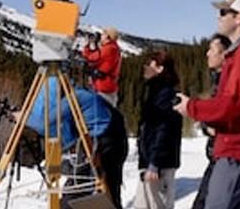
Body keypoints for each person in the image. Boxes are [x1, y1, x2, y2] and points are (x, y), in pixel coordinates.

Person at [174, 0, 240, 209]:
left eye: (223, 12)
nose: (218, 17)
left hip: (238, 151)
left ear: (239, 18)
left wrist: (192, 107)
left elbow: (235, 102)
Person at [24, 78, 129, 209]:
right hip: (114, 140)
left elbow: (45, 122)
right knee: (110, 191)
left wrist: (21, 116)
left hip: (104, 143)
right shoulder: (86, 95)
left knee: (78, 189)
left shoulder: (77, 97)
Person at [134, 50, 183, 209]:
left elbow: (164, 130)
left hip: (159, 165)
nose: (145, 67)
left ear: (160, 69)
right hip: (150, 162)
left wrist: (155, 163)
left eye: (150, 64)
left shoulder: (165, 94)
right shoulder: (154, 92)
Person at [191, 33, 232, 209]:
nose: (207, 53)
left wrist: (208, 123)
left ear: (225, 54)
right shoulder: (219, 80)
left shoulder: (229, 80)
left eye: (212, 49)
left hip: (226, 158)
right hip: (217, 156)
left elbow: (226, 114)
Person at [82, 26, 122, 107]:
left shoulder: (109, 48)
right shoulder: (113, 47)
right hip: (107, 86)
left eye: (103, 34)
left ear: (108, 36)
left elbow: (91, 58)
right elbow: (98, 57)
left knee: (103, 112)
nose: (101, 36)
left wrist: (86, 46)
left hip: (103, 88)